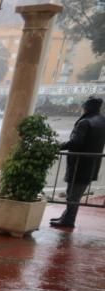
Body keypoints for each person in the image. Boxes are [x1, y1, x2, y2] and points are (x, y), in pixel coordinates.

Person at [51, 96, 105, 230]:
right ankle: (66, 216)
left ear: (87, 107)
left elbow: (75, 143)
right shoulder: (102, 120)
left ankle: (68, 220)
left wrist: (55, 147)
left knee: (73, 194)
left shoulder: (85, 122)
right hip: (92, 163)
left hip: (79, 165)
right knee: (76, 193)